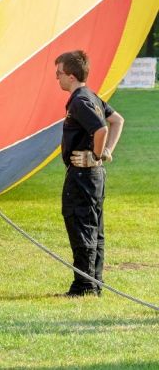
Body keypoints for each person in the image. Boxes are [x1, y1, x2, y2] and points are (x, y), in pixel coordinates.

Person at [54, 50, 124, 297]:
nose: (57, 78)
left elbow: (102, 128)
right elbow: (118, 120)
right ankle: (94, 283)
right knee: (94, 227)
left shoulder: (79, 101)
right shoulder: (91, 96)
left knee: (80, 224)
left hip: (83, 176)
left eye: (59, 73)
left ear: (71, 76)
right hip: (94, 177)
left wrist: (97, 155)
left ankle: (83, 286)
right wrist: (105, 155)